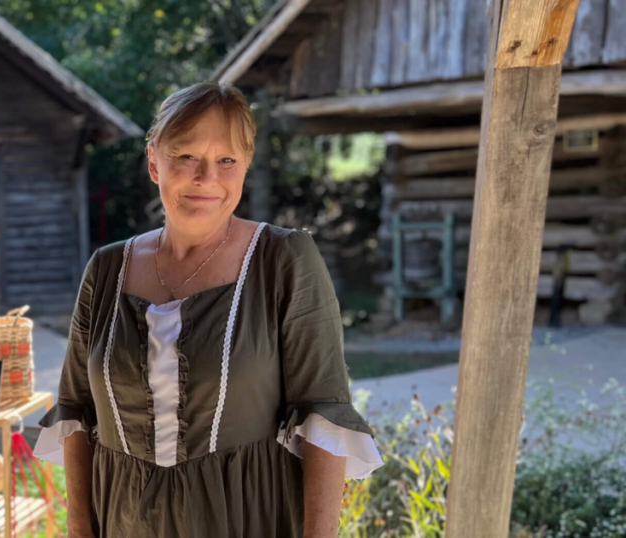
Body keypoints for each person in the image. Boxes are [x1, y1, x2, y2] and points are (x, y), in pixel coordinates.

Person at [33, 82, 383, 538]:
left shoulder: (283, 260)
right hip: (123, 521)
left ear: (246, 165)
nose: (206, 177)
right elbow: (76, 412)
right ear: (154, 162)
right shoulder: (106, 270)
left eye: (227, 161)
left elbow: (324, 413)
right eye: (186, 156)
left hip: (245, 518)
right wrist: (79, 529)